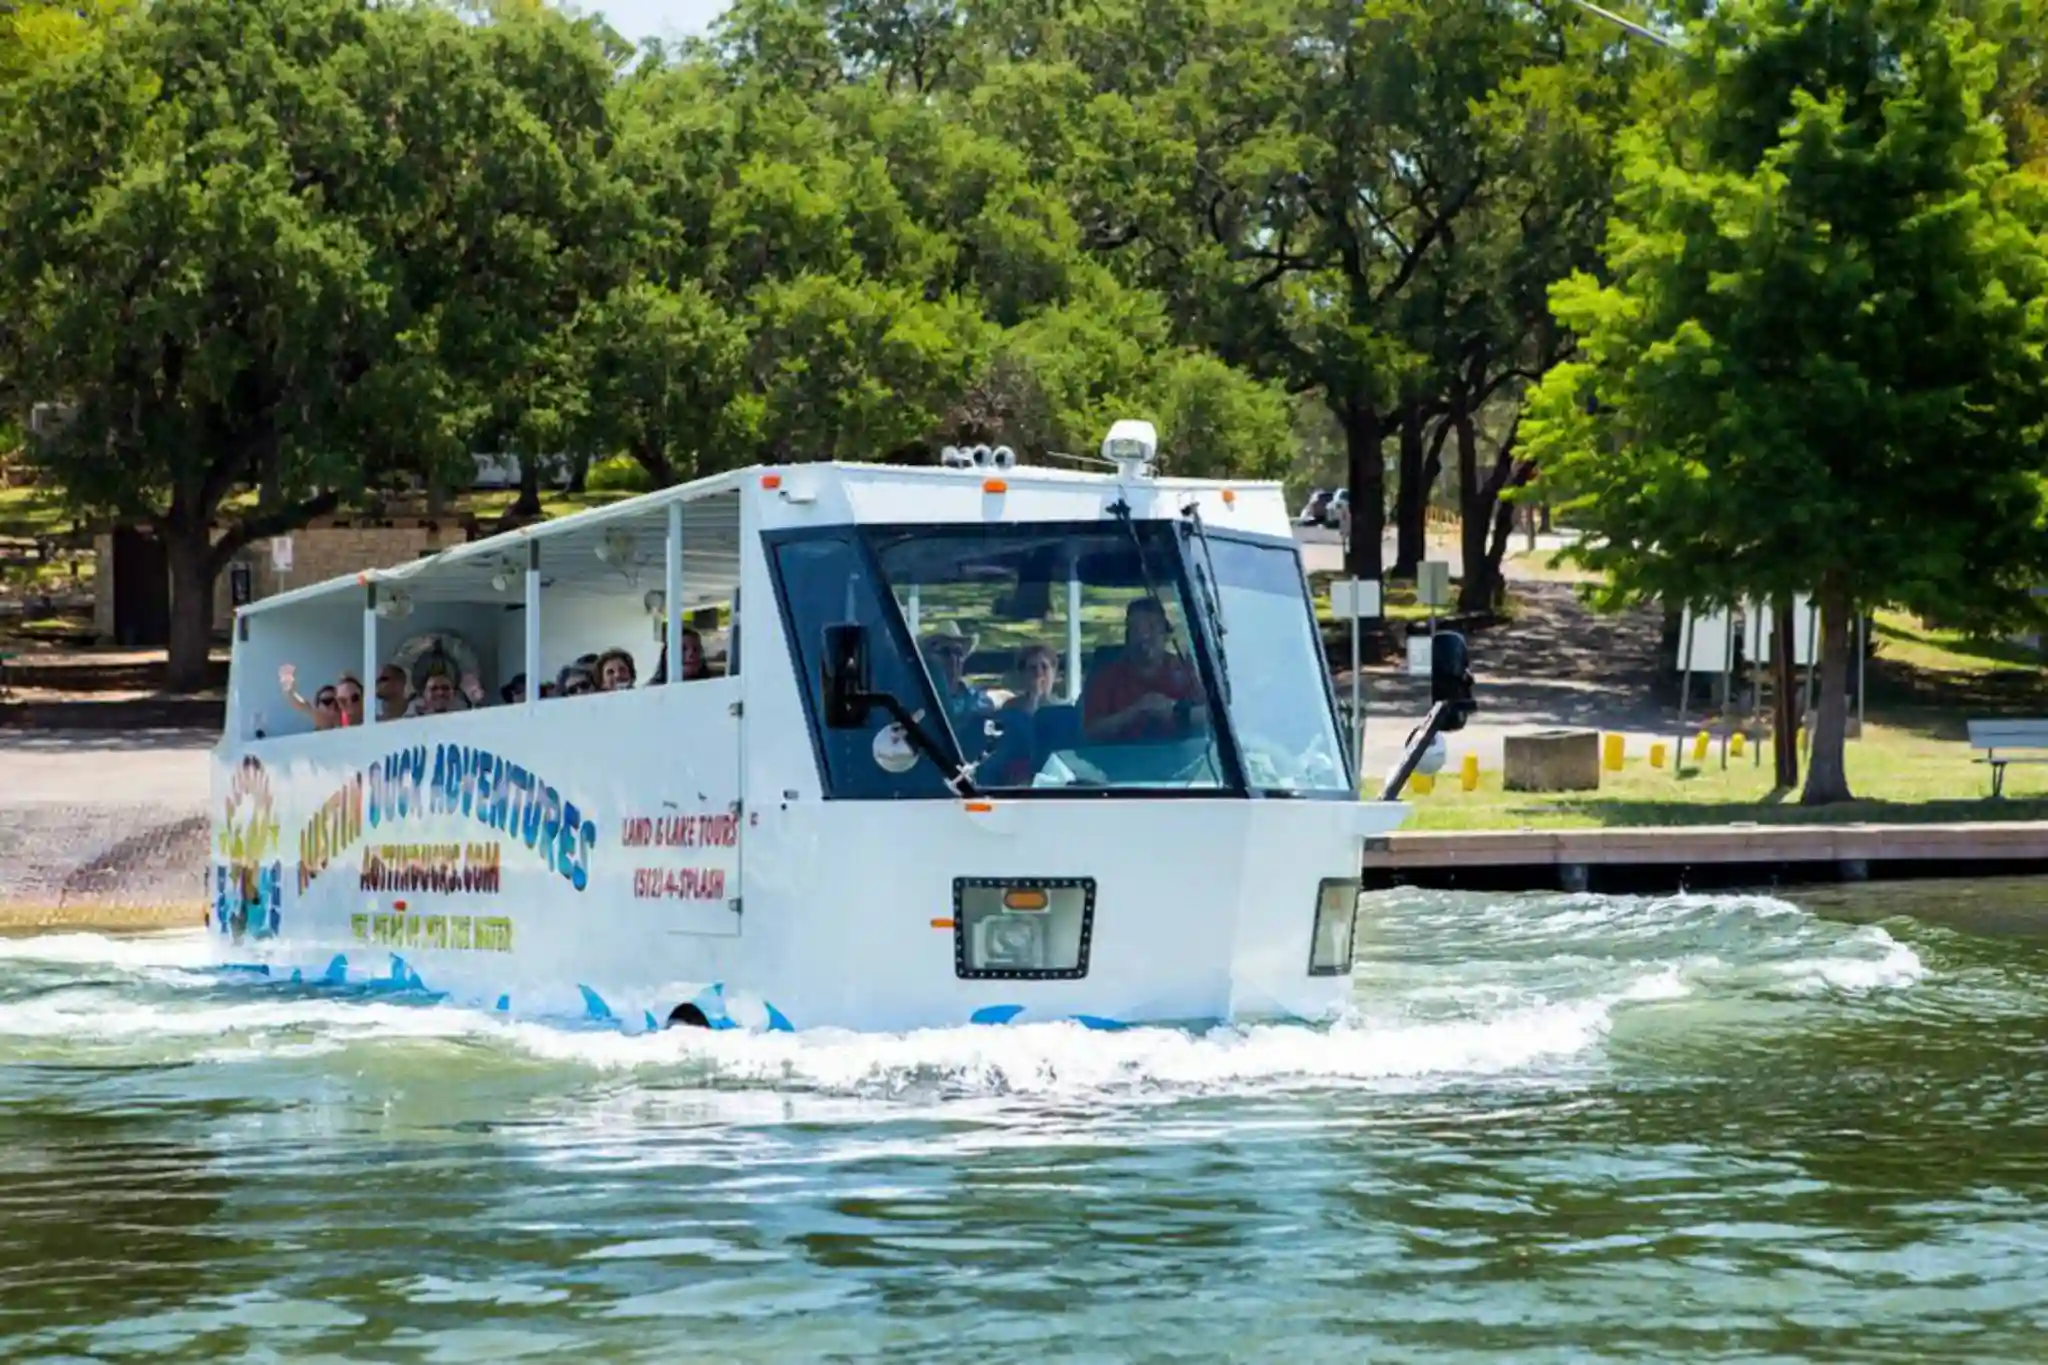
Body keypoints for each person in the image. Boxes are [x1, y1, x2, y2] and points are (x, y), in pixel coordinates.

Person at [1082, 597, 1206, 743]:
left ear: (1165, 634)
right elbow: (1090, 733)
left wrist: (1176, 713)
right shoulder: (1108, 678)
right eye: (1136, 630)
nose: (1144, 637)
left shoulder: (1186, 673)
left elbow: (1212, 719)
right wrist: (1134, 712)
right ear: (1127, 637)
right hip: (1121, 762)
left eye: (1152, 627)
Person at [278, 664, 342, 731]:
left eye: (336, 701)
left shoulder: (346, 716)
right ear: (318, 706)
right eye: (327, 701)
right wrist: (289, 687)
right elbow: (299, 702)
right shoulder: (317, 715)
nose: (332, 705)